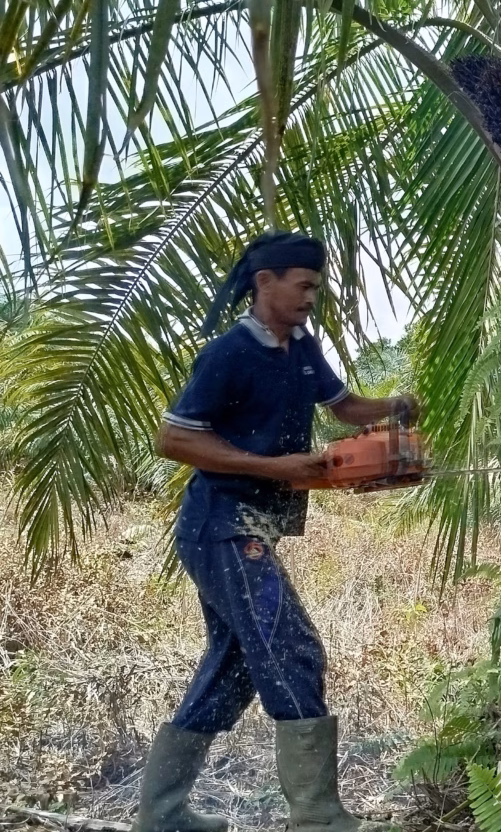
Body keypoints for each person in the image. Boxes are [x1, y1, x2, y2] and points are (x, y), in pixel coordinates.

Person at [134, 231, 417, 832]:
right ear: (266, 282)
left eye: (317, 287)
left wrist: (393, 407)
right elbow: (173, 438)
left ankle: (162, 815)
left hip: (252, 527)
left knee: (235, 665)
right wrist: (275, 467)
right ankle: (317, 817)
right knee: (292, 647)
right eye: (304, 285)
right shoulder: (229, 354)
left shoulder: (302, 347)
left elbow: (342, 406)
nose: (312, 297)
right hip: (222, 525)